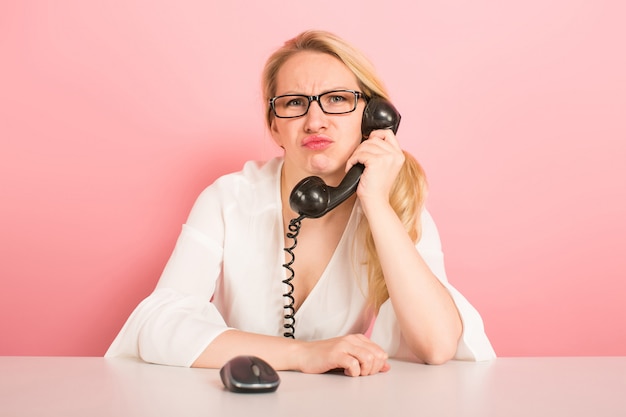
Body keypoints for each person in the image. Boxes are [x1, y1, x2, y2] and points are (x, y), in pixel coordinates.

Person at [105, 30, 496, 376]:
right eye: (294, 103)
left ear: (373, 118)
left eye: (337, 99)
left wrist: (375, 202)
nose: (315, 120)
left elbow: (438, 344)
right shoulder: (229, 198)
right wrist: (303, 355)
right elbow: (158, 323)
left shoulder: (396, 207)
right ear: (274, 124)